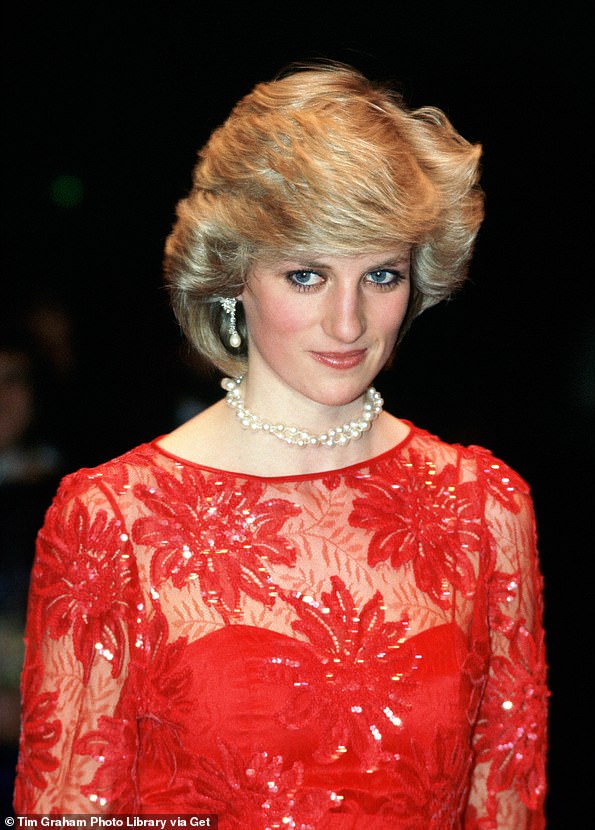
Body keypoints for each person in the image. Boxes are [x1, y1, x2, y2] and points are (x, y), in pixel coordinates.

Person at [13, 62, 548, 828]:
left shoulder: (485, 507)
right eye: (306, 275)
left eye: (382, 276)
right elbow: (68, 813)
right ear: (234, 275)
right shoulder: (114, 519)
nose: (348, 323)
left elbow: (506, 802)